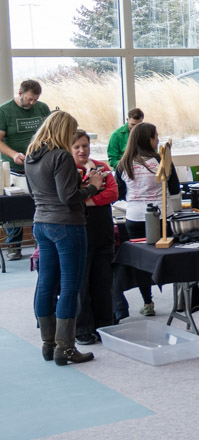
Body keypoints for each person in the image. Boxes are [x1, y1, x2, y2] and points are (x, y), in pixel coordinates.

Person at [28, 111, 104, 366]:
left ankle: (48, 344)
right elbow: (69, 197)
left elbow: (36, 192)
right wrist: (93, 185)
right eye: (72, 131)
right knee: (71, 287)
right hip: (67, 226)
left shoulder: (31, 155)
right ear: (63, 131)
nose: (74, 135)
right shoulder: (61, 156)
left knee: (47, 284)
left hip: (41, 223)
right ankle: (66, 348)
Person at [116, 121, 178, 316]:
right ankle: (179, 299)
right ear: (148, 139)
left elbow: (119, 192)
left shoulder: (123, 163)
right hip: (160, 216)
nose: (157, 138)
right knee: (168, 256)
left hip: (134, 217)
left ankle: (148, 302)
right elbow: (175, 188)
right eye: (155, 136)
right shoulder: (162, 160)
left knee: (142, 261)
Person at [71, 128, 119, 347]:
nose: (82, 151)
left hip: (103, 232)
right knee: (82, 283)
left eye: (85, 146)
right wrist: (93, 188)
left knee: (103, 281)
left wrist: (88, 199)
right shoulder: (68, 170)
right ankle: (83, 328)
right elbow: (72, 198)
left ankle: (104, 324)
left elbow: (113, 193)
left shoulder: (102, 167)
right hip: (80, 233)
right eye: (77, 147)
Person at [1, 78, 50, 258]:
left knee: (39, 203)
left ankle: (40, 243)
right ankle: (14, 246)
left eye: (35, 99)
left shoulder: (42, 108)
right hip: (15, 165)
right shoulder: (4, 111)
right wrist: (14, 154)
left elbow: (48, 132)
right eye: (29, 99)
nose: (32, 103)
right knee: (15, 206)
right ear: (20, 93)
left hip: (39, 164)